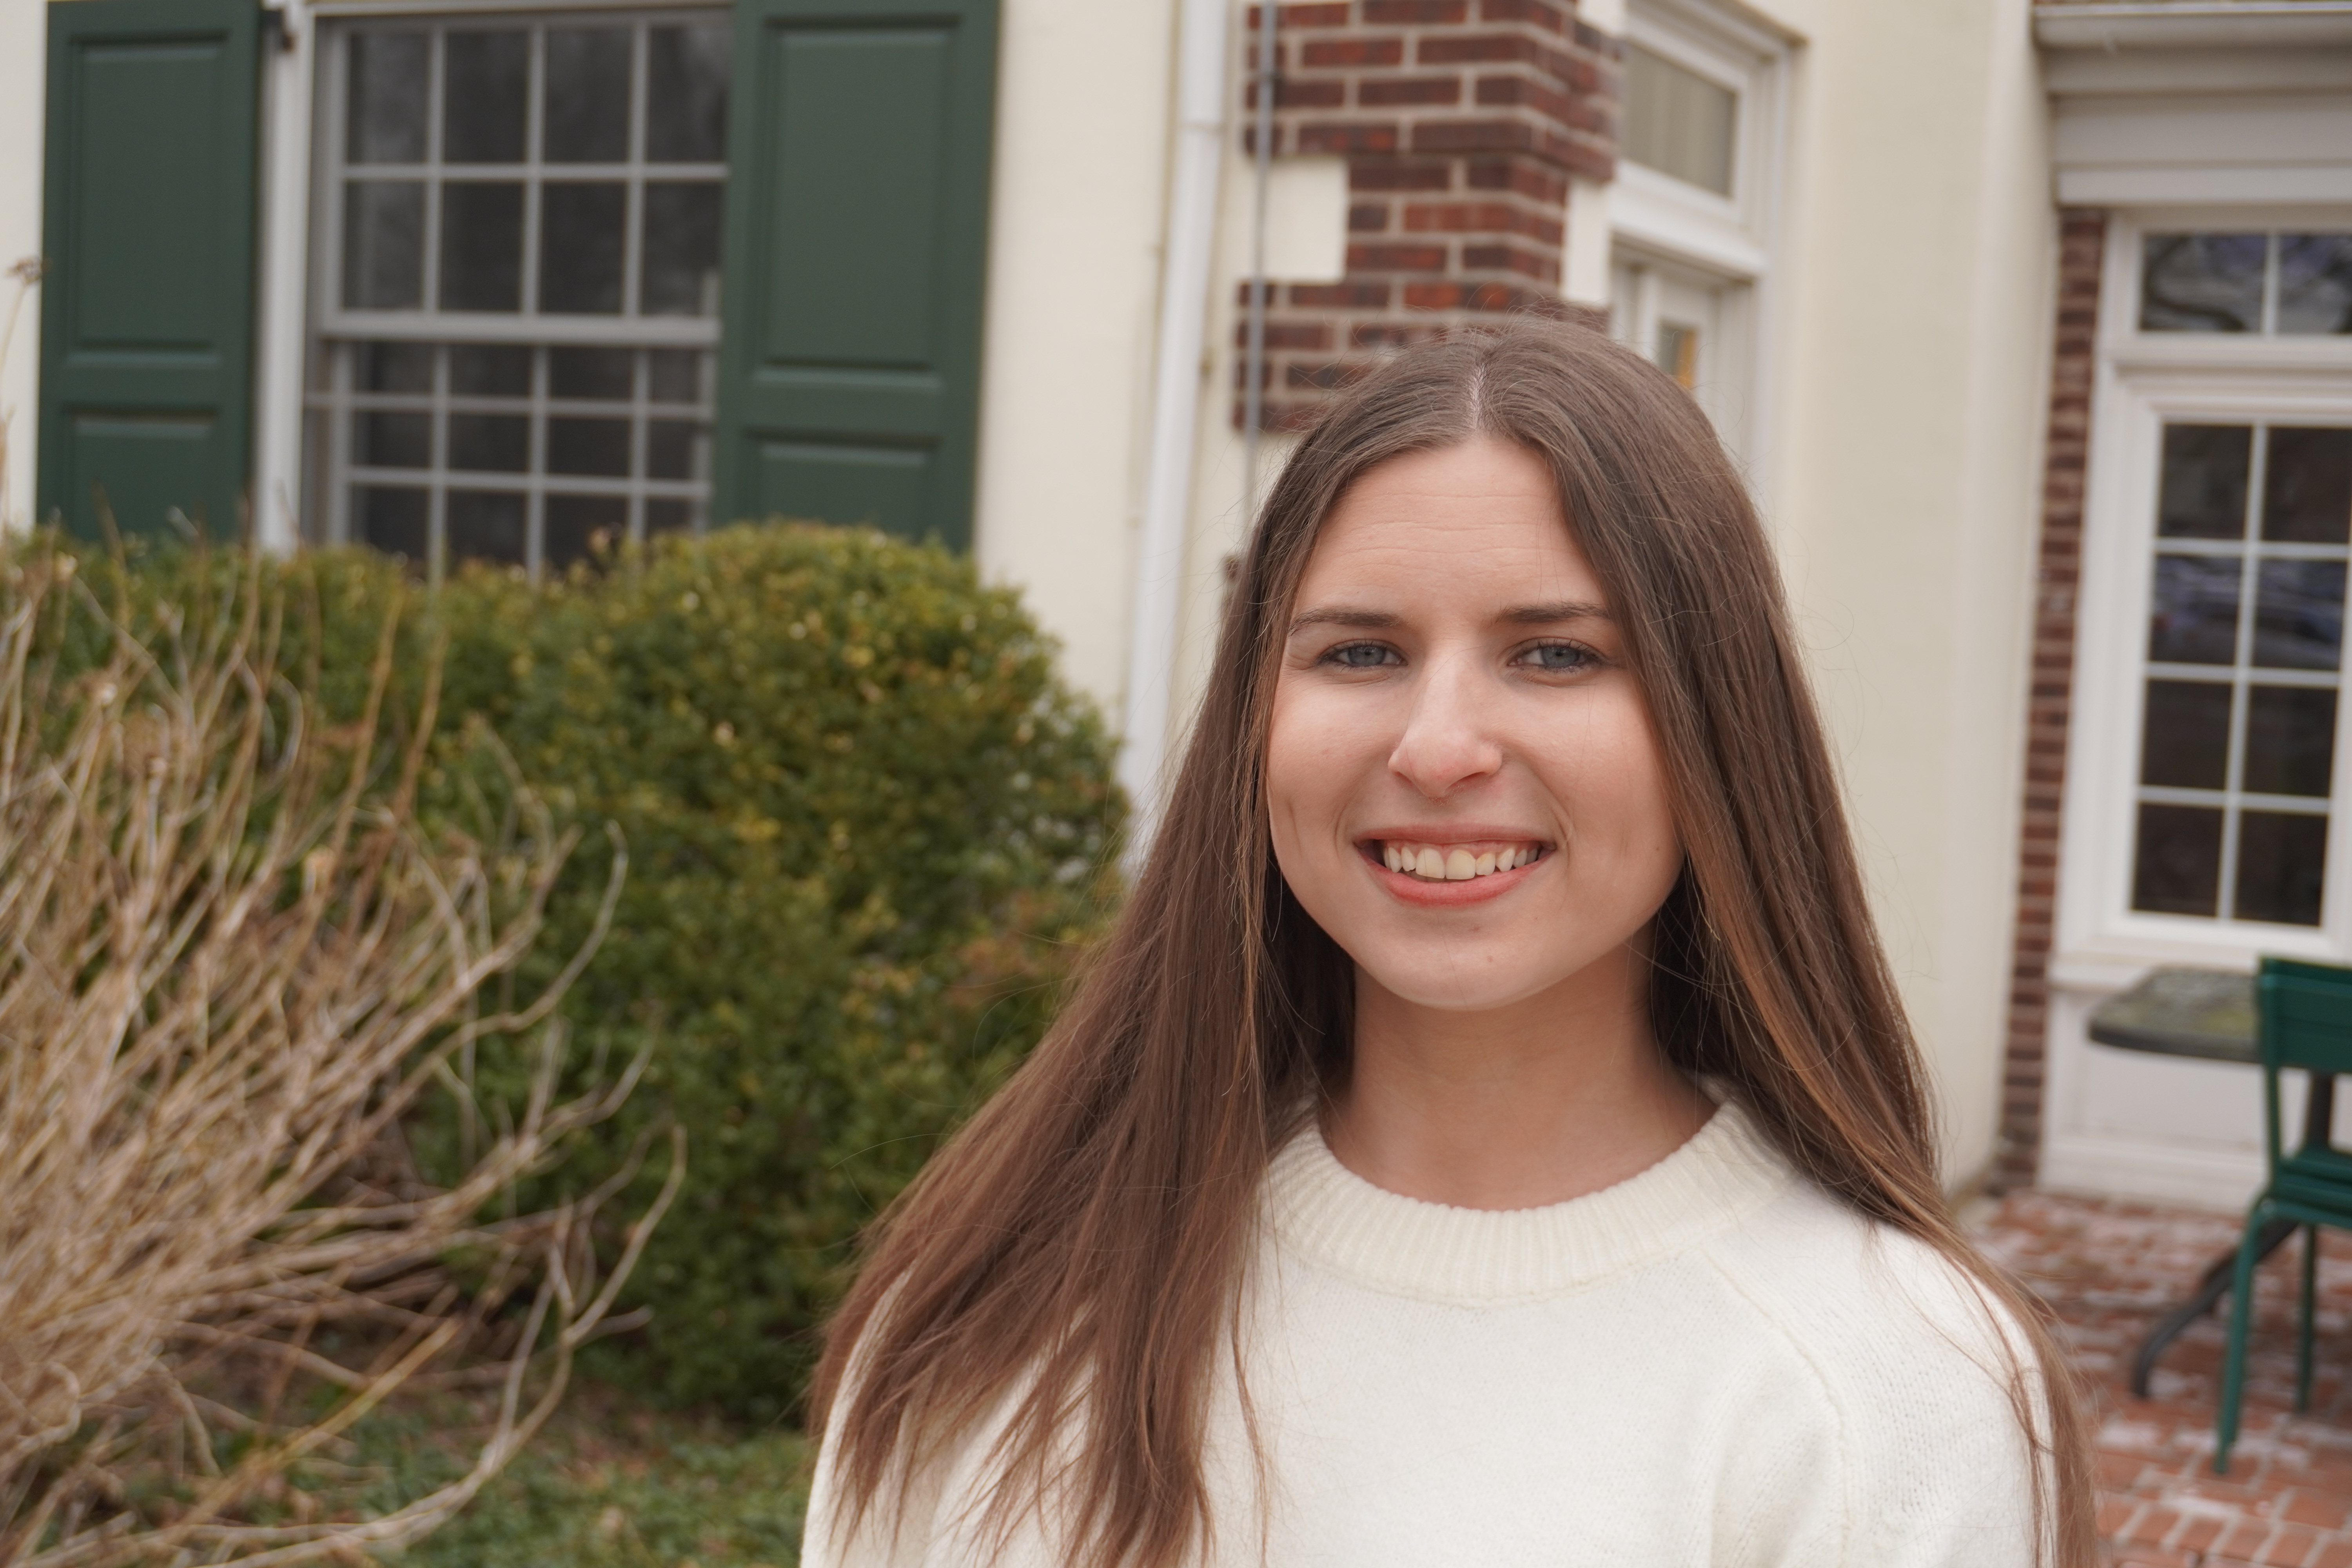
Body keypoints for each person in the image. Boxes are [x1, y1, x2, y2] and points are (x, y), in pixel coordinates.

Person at [799, 322, 2093, 1568]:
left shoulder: (1892, 1390)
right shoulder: (1001, 1293)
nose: (1435, 747)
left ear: (1717, 727)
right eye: (1360, 651)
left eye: (1554, 654)